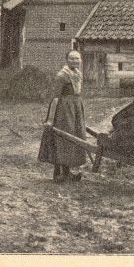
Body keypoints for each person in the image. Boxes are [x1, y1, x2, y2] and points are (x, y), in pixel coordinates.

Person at [38, 49, 87, 182]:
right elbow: (55, 97)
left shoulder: (78, 74)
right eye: (72, 59)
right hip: (64, 110)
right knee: (64, 137)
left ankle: (68, 171)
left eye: (77, 58)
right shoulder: (62, 76)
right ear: (67, 60)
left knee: (76, 136)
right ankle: (58, 173)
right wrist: (50, 119)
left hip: (76, 108)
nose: (75, 61)